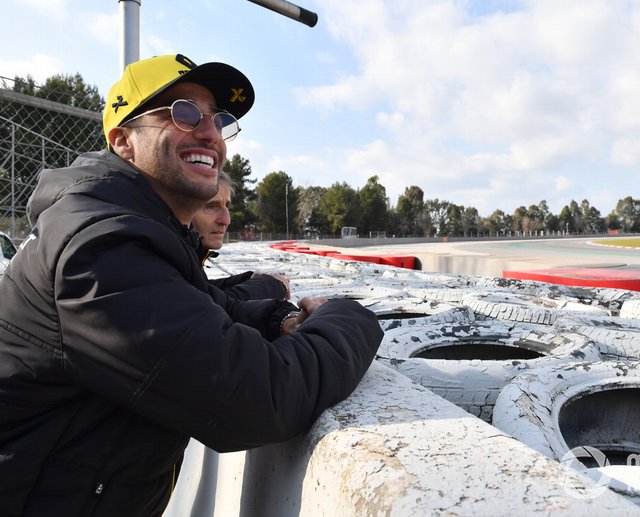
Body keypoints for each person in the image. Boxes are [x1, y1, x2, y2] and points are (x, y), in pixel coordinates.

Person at [0, 53, 383, 516]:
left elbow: (204, 307)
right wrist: (348, 316)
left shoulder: (127, 226)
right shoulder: (101, 246)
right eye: (182, 113)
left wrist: (276, 315)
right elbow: (259, 398)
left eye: (218, 119)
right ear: (123, 141)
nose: (209, 133)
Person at [192, 170, 291, 300]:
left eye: (227, 206)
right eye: (211, 206)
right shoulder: (166, 253)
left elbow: (203, 289)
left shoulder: (185, 250)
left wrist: (248, 280)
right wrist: (270, 286)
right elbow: (204, 307)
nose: (226, 220)